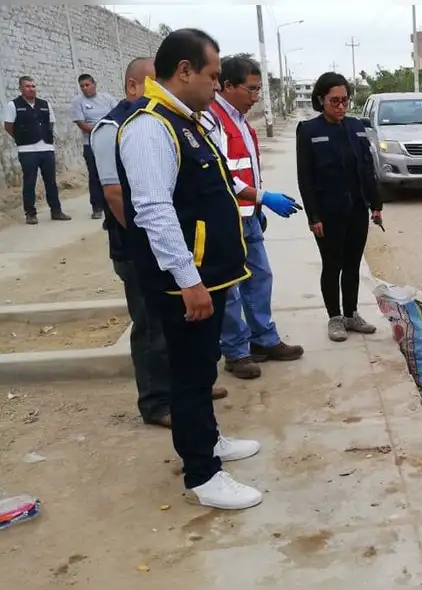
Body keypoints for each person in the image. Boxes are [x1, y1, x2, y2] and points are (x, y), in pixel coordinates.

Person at [117, 28, 261, 510]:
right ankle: (203, 474)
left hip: (211, 277)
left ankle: (208, 441)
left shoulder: (188, 122)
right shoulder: (150, 128)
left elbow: (216, 185)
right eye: (213, 76)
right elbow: (154, 210)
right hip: (187, 284)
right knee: (188, 372)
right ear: (184, 71)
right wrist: (189, 280)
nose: (217, 86)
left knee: (200, 371)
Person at [91, 57, 228, 428]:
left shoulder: (177, 121)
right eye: (154, 83)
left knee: (180, 343)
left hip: (165, 250)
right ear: (133, 86)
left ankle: (188, 400)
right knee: (152, 329)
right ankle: (157, 402)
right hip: (139, 250)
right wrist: (147, 246)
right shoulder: (124, 127)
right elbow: (119, 195)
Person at [201, 56, 304, 380]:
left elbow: (247, 169)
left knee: (259, 278)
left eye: (259, 89)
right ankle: (236, 351)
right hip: (224, 219)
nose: (256, 95)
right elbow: (222, 177)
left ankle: (263, 339)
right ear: (228, 86)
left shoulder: (241, 122)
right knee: (229, 287)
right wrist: (263, 198)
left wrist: (257, 209)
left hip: (248, 217)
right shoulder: (212, 121)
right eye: (252, 89)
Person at [296, 72, 382, 342]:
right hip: (328, 214)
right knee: (332, 265)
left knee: (353, 265)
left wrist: (376, 204)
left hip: (356, 210)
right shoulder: (309, 131)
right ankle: (335, 318)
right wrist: (314, 216)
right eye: (335, 101)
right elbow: (305, 178)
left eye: (345, 100)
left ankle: (351, 314)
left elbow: (367, 170)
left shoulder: (356, 126)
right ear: (321, 100)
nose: (341, 106)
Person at [3, 76, 70, 225]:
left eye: (33, 86)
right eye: (27, 86)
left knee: (51, 182)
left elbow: (51, 122)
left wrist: (44, 136)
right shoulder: (14, 105)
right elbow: (8, 126)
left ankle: (56, 211)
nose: (31, 89)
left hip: (46, 148)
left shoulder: (44, 104)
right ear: (20, 88)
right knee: (29, 182)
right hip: (27, 150)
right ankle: (31, 214)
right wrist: (21, 138)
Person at [71, 73, 118, 219]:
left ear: (94, 84)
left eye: (87, 85)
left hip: (110, 143)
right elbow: (81, 123)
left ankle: (114, 204)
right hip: (90, 144)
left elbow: (117, 116)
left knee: (113, 173)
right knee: (95, 175)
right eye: (82, 86)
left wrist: (107, 132)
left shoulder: (107, 99)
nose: (85, 88)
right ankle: (97, 207)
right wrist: (100, 130)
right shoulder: (77, 102)